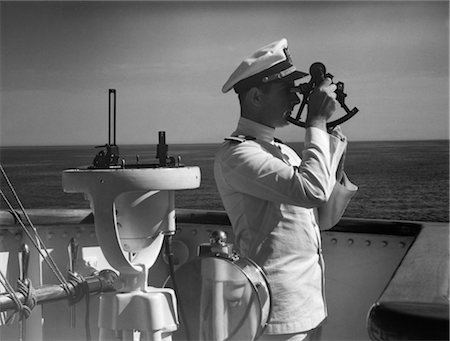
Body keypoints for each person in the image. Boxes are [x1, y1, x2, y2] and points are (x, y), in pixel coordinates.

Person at [214, 38, 358, 340]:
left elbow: (324, 216)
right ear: (255, 96)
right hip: (276, 316)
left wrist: (331, 141)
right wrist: (315, 120)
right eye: (287, 91)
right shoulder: (238, 156)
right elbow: (312, 191)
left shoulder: (284, 152)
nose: (295, 100)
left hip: (310, 307)